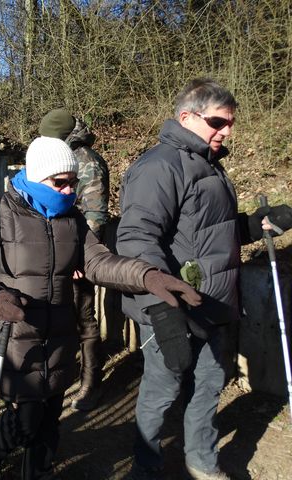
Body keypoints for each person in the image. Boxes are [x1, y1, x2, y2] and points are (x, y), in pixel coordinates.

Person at [0, 136, 202, 479]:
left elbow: (101, 263)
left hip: (59, 336)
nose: (70, 191)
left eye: (73, 182)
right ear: (38, 176)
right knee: (24, 420)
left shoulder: (73, 220)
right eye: (61, 183)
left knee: (50, 418)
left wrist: (147, 276)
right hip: (14, 336)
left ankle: (37, 472)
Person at [116, 78, 292, 480]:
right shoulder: (158, 167)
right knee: (161, 393)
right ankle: (146, 467)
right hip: (172, 308)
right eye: (217, 122)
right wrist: (162, 309)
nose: (226, 131)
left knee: (209, 387)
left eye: (230, 123)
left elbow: (211, 232)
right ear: (186, 117)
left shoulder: (209, 165)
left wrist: (255, 224)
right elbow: (136, 239)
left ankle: (201, 461)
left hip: (212, 304)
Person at [39, 109, 110, 411]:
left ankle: (91, 384)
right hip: (50, 253)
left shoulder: (87, 162)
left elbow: (95, 216)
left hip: (76, 257)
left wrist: (79, 259)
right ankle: (59, 375)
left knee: (84, 320)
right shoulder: (59, 156)